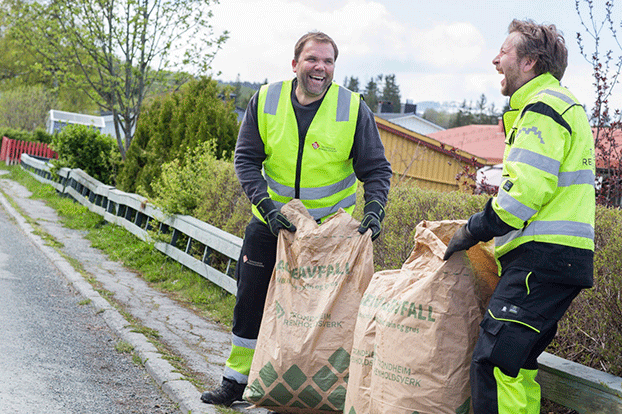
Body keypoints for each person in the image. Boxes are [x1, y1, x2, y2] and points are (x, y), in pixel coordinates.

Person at [201, 31, 392, 407]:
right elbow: (246, 160)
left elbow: (376, 170)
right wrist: (267, 207)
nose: (321, 67)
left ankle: (317, 389)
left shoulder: (353, 108)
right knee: (250, 301)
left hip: (327, 238)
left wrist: (375, 209)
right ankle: (235, 382)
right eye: (313, 59)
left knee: (323, 316)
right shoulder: (267, 99)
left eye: (328, 61)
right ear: (295, 65)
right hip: (271, 225)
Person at [443, 19, 595, 414]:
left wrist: (472, 230)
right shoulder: (557, 103)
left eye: (504, 52)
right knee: (517, 368)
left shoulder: (541, 107)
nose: (496, 59)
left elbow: (522, 197)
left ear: (528, 63)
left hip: (540, 260)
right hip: (554, 260)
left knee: (493, 363)